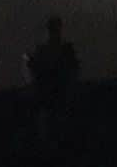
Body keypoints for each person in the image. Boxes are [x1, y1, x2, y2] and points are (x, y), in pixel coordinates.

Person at [26, 16, 77, 148]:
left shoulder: (47, 50)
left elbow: (71, 71)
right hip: (54, 97)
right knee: (55, 131)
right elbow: (72, 71)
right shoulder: (62, 49)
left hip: (54, 96)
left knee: (54, 131)